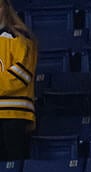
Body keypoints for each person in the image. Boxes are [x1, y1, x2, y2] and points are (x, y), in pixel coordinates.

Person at [0, 0, 35, 161]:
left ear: (6, 8)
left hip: (13, 113)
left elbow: (21, 74)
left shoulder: (20, 36)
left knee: (14, 167)